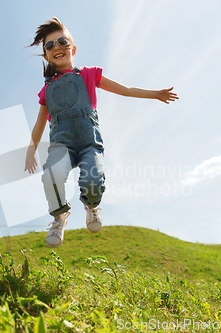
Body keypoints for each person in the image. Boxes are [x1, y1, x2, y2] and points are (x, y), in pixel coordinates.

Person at [24, 17, 178, 248]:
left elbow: (125, 89)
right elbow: (39, 125)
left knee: (94, 181)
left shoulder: (88, 74)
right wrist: (30, 150)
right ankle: (59, 217)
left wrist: (155, 93)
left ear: (72, 48)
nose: (57, 47)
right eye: (49, 45)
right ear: (46, 55)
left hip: (88, 144)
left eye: (62, 41)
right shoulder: (46, 91)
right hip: (61, 145)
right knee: (51, 176)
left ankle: (92, 205)